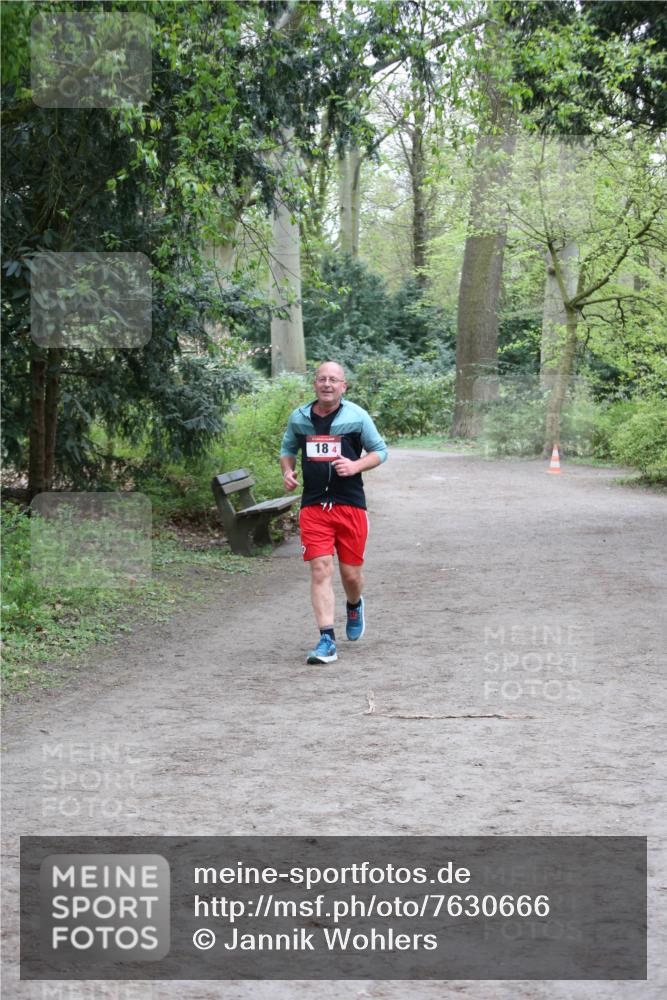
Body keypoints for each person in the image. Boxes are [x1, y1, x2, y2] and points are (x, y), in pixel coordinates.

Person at [280, 361, 388, 664]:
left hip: (350, 504)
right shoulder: (299, 418)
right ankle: (326, 639)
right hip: (314, 506)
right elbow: (287, 450)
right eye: (322, 379)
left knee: (350, 574)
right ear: (314, 384)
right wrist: (287, 472)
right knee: (320, 569)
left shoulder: (357, 417)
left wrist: (354, 466)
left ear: (344, 386)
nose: (327, 384)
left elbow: (380, 451)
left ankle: (354, 604)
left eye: (333, 380)